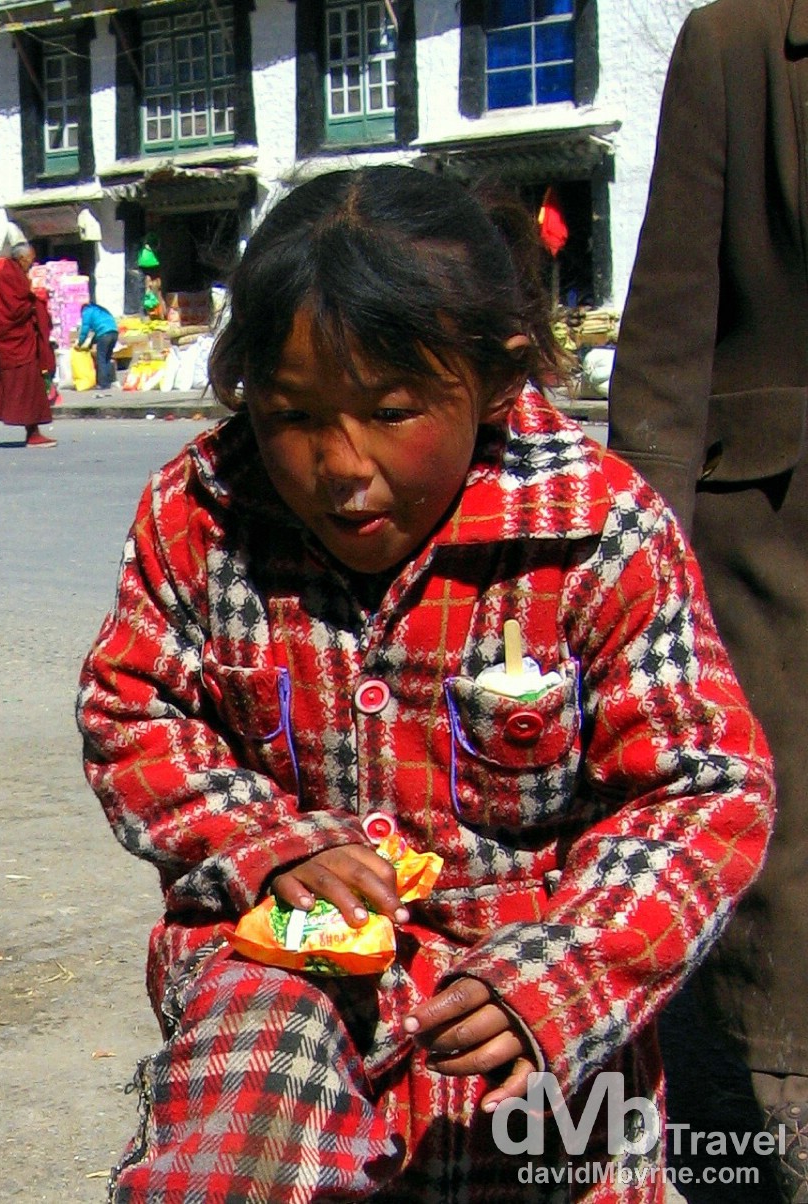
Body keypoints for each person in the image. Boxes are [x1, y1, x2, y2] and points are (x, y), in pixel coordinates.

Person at [76, 165, 776, 1202]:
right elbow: (134, 707)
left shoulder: (601, 529)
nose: (342, 464)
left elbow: (703, 788)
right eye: (292, 415)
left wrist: (571, 971)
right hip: (284, 984)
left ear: (494, 379)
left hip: (528, 1018)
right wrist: (264, 846)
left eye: (393, 411)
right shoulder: (203, 511)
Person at [609, 2, 808, 1197]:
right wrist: (635, 564)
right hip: (775, 534)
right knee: (784, 854)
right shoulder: (740, 42)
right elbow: (672, 327)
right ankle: (778, 1108)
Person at [0, 243, 57, 449]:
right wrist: (35, 304)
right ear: (21, 258)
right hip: (14, 342)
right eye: (29, 260)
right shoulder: (9, 276)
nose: (31, 264)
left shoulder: (13, 275)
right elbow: (13, 309)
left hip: (13, 342)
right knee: (29, 384)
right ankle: (32, 433)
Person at [75, 297, 119, 390]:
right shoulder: (99, 310)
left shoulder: (87, 311)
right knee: (107, 358)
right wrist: (91, 343)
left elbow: (85, 329)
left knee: (101, 359)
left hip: (104, 334)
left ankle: (102, 384)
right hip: (114, 333)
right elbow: (99, 332)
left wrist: (80, 343)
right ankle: (108, 382)